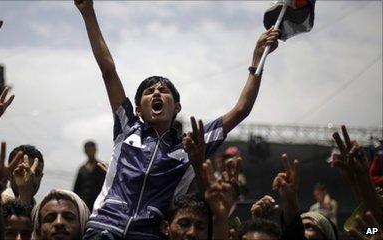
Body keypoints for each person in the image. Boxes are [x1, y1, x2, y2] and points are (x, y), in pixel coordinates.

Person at [74, 0, 281, 238]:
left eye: (163, 91)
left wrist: (257, 60)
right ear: (139, 109)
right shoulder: (127, 128)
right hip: (103, 230)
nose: (156, 93)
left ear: (177, 107)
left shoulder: (191, 145)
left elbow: (242, 109)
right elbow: (108, 70)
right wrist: (88, 12)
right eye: (149, 91)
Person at [73, 141, 106, 211]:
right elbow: (76, 189)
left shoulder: (102, 167)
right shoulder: (82, 169)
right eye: (88, 150)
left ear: (95, 150)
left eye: (92, 150)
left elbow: (108, 186)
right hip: (84, 206)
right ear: (85, 151)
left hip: (99, 205)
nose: (90, 152)